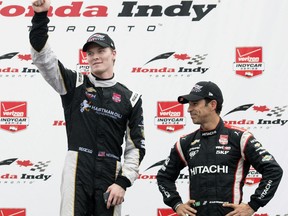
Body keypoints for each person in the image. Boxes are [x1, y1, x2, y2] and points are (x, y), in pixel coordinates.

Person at [29, 0, 145, 215]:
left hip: (110, 170)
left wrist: (123, 182)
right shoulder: (75, 84)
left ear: (114, 53)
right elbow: (43, 58)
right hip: (77, 166)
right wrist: (40, 17)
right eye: (90, 53)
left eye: (101, 51)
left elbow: (135, 147)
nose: (95, 57)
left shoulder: (131, 98)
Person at [156, 81, 283, 216]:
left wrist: (253, 205)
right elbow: (164, 177)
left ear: (212, 105)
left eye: (195, 104)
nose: (189, 109)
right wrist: (176, 204)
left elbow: (273, 170)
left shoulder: (239, 138)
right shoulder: (185, 142)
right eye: (189, 105)